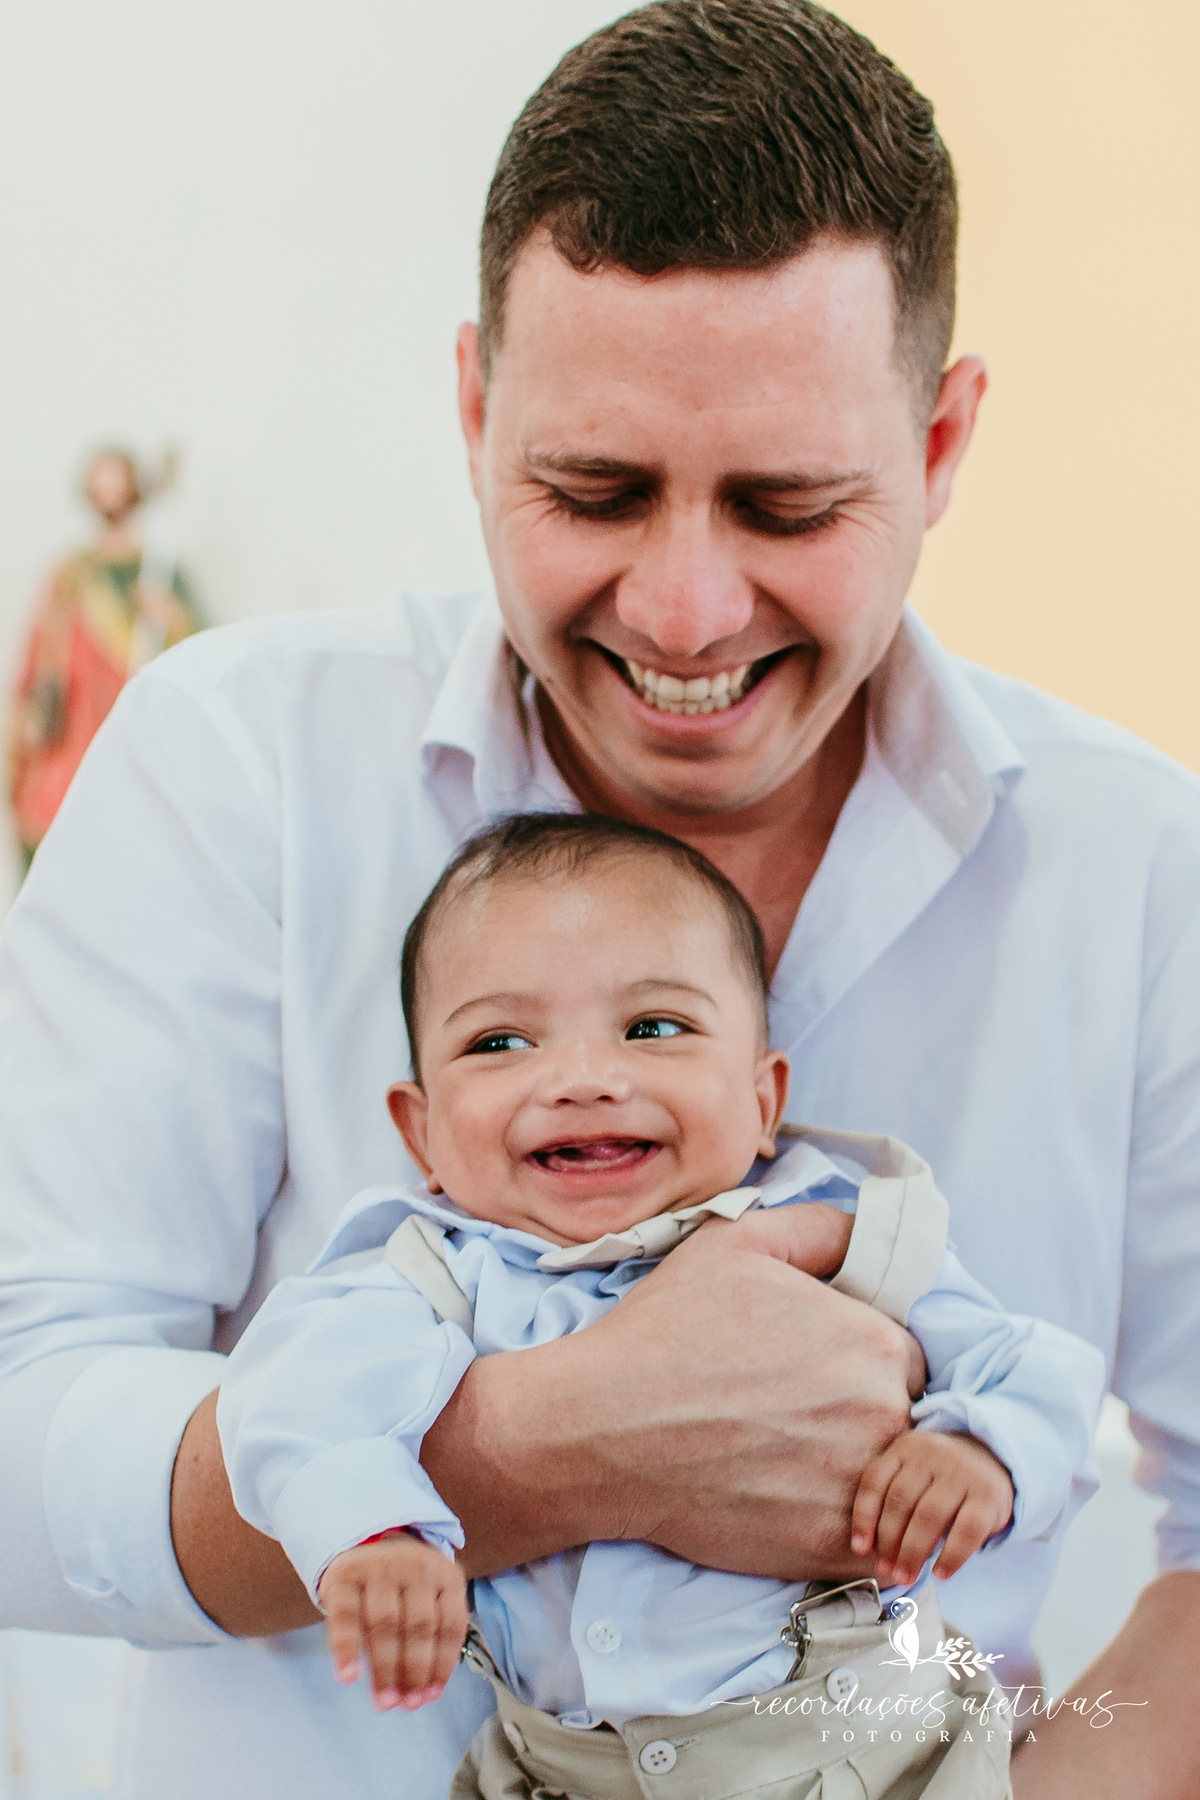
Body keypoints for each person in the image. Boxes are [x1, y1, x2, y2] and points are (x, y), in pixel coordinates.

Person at [0, 3, 1197, 1796]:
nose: (687, 609)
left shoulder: (1142, 869)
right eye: (595, 489)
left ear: (941, 448)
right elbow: (23, 1419)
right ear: (476, 407)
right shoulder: (230, 762)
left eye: (789, 504)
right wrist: (536, 1451)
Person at [217, 812, 1104, 1800]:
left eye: (653, 1028)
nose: (584, 1080)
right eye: (500, 1041)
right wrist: (371, 1534)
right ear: (420, 1133)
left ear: (764, 1100)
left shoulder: (841, 1236)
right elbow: (293, 1402)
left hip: (867, 1762)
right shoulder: (430, 1277)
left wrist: (976, 1449)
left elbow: (1033, 1365)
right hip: (561, 1772)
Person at [7, 447, 202, 874]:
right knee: (53, 826)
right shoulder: (73, 571)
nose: (109, 490)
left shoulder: (161, 571)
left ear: (134, 489)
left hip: (129, 726)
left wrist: (170, 618)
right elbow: (41, 651)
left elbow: (200, 651)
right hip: (73, 731)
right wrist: (30, 715)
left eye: (117, 479)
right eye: (100, 480)